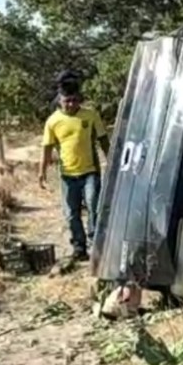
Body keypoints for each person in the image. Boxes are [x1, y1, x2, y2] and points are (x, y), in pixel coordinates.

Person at [39, 81, 110, 261]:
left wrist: (112, 162)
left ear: (79, 100)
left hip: (90, 172)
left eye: (74, 100)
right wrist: (42, 173)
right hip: (68, 175)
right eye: (67, 101)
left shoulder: (90, 115)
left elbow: (103, 140)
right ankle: (79, 247)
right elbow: (46, 149)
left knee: (94, 206)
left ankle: (96, 245)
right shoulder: (53, 121)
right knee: (71, 214)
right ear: (59, 101)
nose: (71, 104)